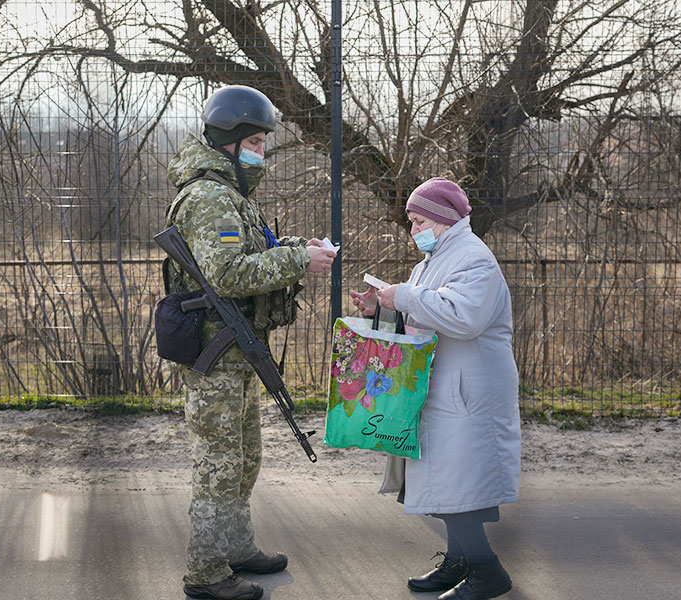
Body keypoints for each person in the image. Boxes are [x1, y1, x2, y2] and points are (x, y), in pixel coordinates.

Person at [164, 85, 337, 600]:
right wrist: (298, 262)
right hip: (216, 359)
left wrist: (290, 250)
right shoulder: (210, 197)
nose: (263, 152)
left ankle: (234, 548)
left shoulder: (232, 196)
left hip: (237, 356)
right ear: (230, 142)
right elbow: (227, 274)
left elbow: (250, 255)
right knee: (219, 464)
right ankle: (205, 572)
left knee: (244, 459)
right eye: (257, 142)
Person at [350, 177, 521, 600]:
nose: (414, 231)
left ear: (444, 220)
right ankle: (460, 560)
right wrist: (383, 304)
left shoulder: (474, 259)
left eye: (419, 220)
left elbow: (464, 317)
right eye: (411, 221)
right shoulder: (436, 259)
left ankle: (486, 572)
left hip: (470, 393)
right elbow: (426, 312)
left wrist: (403, 296)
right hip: (447, 388)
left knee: (455, 484)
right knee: (448, 483)